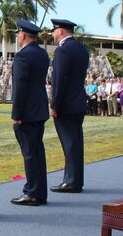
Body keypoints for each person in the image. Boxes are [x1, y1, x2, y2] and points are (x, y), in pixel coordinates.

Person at [9, 20, 50, 206]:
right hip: (39, 108)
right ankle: (39, 191)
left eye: (18, 34)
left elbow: (20, 88)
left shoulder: (22, 56)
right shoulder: (42, 54)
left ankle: (32, 192)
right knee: (37, 151)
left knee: (29, 153)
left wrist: (16, 114)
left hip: (27, 112)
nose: (18, 37)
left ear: (23, 35)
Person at [49, 19, 89, 193]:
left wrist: (54, 104)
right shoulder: (81, 48)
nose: (52, 34)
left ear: (61, 31)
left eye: (54, 30)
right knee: (75, 143)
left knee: (70, 144)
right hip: (78, 101)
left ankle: (71, 181)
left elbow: (59, 80)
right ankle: (74, 179)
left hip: (66, 104)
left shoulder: (63, 50)